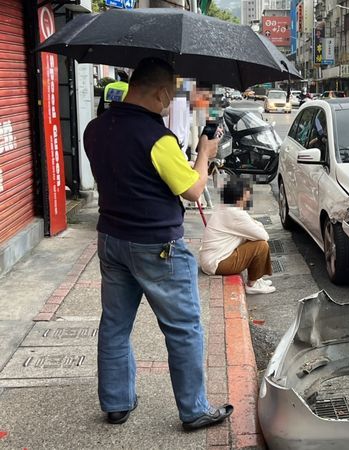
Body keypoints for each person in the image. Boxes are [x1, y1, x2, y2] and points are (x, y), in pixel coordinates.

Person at [83, 57, 233, 430]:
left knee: (115, 324)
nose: (169, 105)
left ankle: (117, 403)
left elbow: (127, 175)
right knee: (183, 328)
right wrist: (204, 154)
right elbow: (193, 188)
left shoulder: (95, 128)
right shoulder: (157, 139)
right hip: (157, 246)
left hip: (112, 239)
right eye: (169, 97)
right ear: (163, 92)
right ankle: (194, 410)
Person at [199, 176, 276, 294]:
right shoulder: (235, 213)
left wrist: (255, 226)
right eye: (247, 193)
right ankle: (252, 284)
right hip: (217, 264)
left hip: (210, 261)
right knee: (261, 245)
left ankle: (257, 279)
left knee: (253, 239)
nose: (249, 197)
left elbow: (251, 227)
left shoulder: (225, 207)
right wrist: (258, 226)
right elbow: (264, 236)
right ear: (240, 196)